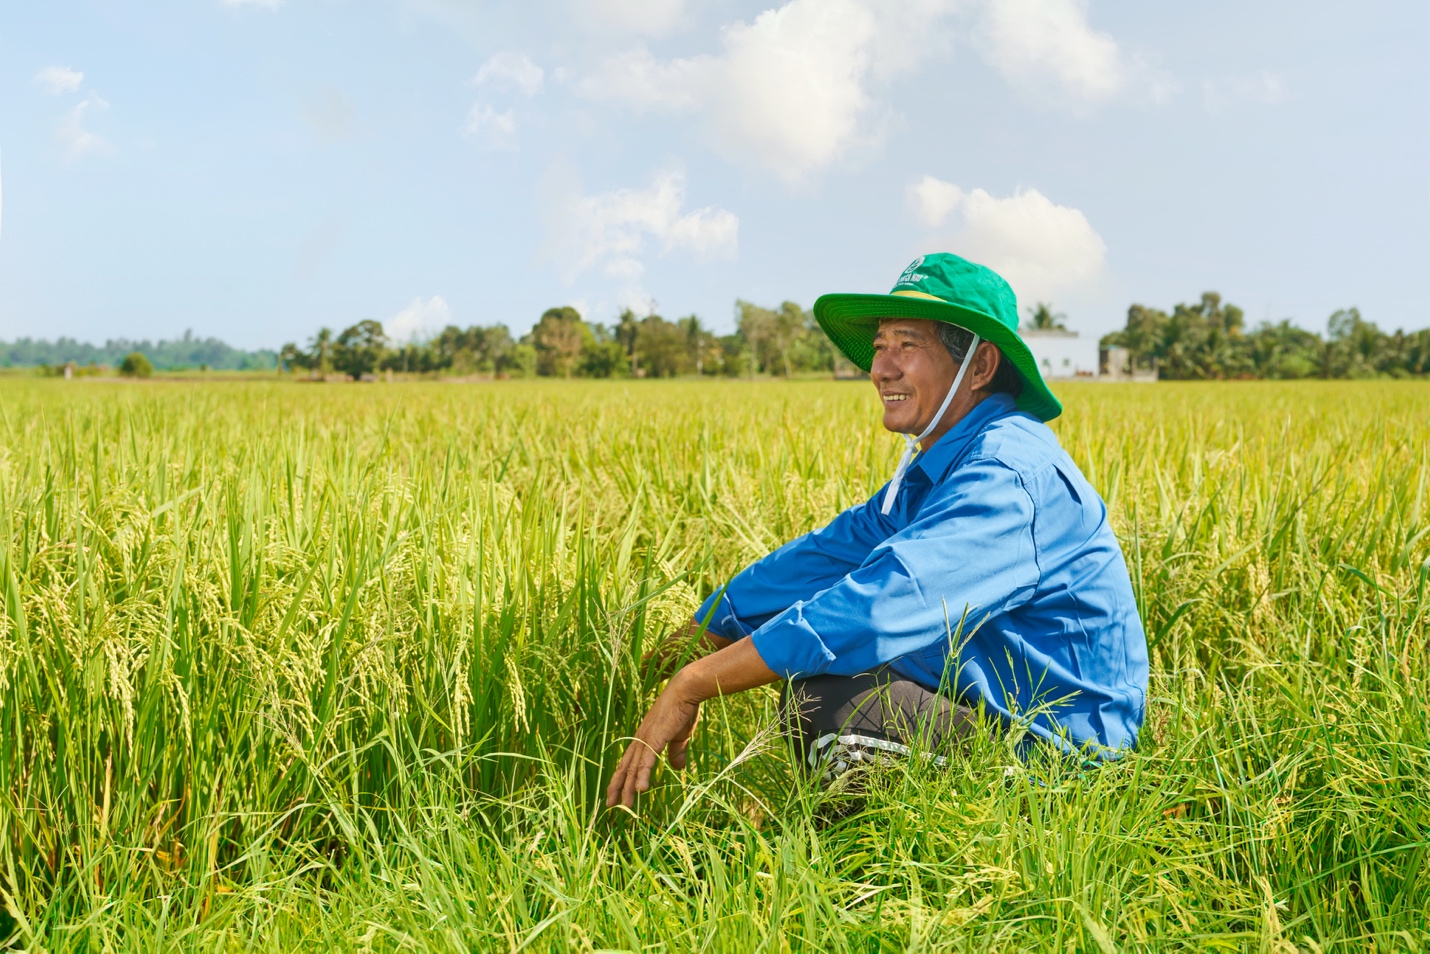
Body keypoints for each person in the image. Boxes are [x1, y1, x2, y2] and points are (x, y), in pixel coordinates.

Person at [606, 253, 1149, 810]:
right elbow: (825, 557)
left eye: (907, 345)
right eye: (879, 346)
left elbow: (877, 605)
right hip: (994, 709)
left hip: (1062, 759)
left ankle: (876, 872)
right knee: (835, 676)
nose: (881, 368)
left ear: (980, 366)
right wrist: (693, 638)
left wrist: (695, 683)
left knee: (828, 701)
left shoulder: (1006, 479)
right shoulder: (941, 466)